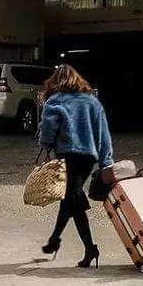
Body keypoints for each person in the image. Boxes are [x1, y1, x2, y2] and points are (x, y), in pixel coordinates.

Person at [38, 64, 114, 268]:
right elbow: (103, 134)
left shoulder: (55, 101)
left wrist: (45, 143)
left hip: (67, 156)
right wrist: (106, 161)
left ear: (56, 81)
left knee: (72, 198)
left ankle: (72, 244)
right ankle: (64, 242)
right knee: (72, 197)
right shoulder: (92, 102)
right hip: (88, 159)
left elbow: (47, 131)